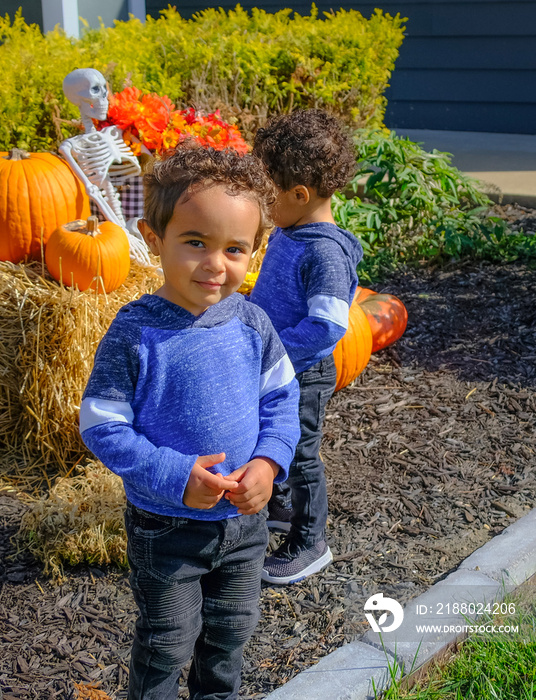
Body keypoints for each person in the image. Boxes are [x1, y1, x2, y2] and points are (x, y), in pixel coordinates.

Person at [79, 146, 301, 700]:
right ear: (153, 240)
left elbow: (282, 399)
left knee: (231, 632)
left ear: (255, 250)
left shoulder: (252, 323)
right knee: (167, 641)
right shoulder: (135, 333)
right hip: (167, 527)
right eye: (195, 243)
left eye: (234, 249)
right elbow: (101, 423)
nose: (215, 264)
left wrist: (269, 462)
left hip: (245, 524)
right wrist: (175, 473)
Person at [250, 109, 363, 585]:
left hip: (301, 371)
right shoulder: (292, 229)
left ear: (300, 195)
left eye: (266, 193)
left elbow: (328, 325)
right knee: (269, 437)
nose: (259, 202)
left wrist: (274, 356)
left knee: (300, 454)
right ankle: (279, 507)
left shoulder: (323, 252)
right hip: (276, 365)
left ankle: (310, 541)